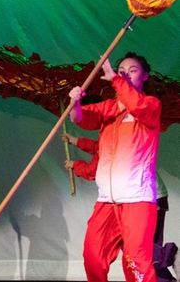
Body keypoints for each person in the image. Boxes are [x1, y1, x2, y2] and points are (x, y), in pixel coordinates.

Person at [68, 52, 160, 282]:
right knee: (93, 257)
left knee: (136, 263)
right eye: (121, 71)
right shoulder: (108, 108)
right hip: (107, 201)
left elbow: (137, 105)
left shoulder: (150, 105)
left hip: (137, 200)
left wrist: (116, 80)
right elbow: (80, 118)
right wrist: (75, 102)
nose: (126, 74)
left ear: (145, 76)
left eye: (133, 70)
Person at [62, 133, 176, 282]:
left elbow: (94, 170)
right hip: (145, 197)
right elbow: (98, 147)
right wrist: (76, 140)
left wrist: (75, 165)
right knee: (138, 255)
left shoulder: (118, 139)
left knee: (137, 251)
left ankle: (171, 255)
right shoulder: (115, 136)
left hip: (145, 199)